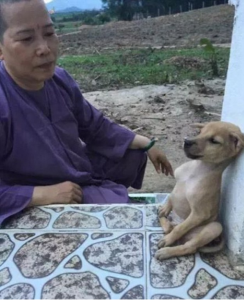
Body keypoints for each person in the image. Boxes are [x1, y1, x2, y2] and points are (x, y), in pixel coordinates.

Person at [0, 0, 173, 225]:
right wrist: (39, 195)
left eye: (49, 33)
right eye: (26, 39)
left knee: (132, 153)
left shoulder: (60, 79)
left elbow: (95, 126)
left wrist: (146, 143)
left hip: (76, 171)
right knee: (117, 220)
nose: (44, 48)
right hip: (25, 189)